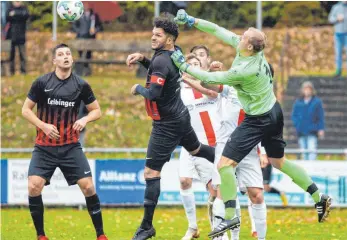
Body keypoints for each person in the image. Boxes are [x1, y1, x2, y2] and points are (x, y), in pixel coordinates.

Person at [171, 9, 331, 237]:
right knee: (279, 162)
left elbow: (212, 79)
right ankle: (319, 196)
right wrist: (191, 21)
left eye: (244, 35)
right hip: (274, 111)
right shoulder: (250, 51)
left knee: (224, 165)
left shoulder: (245, 69)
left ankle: (229, 217)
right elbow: (217, 30)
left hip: (257, 120)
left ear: (248, 46)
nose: (240, 35)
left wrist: (184, 67)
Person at [126, 17, 215, 240]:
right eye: (153, 33)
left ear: (169, 39)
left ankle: (146, 226)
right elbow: (163, 70)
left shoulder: (161, 61)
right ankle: (230, 157)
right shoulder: (175, 53)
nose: (152, 37)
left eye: (157, 35)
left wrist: (138, 88)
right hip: (181, 117)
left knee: (151, 173)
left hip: (166, 124)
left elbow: (154, 94)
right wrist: (144, 59)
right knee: (197, 151)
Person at [21, 43, 108, 240]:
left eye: (68, 53)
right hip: (44, 147)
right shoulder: (41, 83)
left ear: (72, 59)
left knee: (88, 187)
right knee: (34, 186)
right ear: (54, 61)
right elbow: (25, 110)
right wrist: (43, 125)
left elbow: (97, 110)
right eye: (60, 54)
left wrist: (85, 119)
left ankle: (101, 235)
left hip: (70, 147)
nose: (65, 57)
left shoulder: (81, 85)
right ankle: (41, 235)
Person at [186, 47, 267, 240]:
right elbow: (210, 86)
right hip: (226, 148)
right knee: (223, 193)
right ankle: (221, 238)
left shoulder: (260, 95)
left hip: (248, 149)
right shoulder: (230, 87)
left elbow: (263, 123)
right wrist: (213, 73)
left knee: (256, 195)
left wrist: (262, 150)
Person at [291, 81, 325, 161]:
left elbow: (320, 116)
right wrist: (297, 124)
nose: (307, 91)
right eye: (305, 89)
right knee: (304, 152)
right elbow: (294, 115)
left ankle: (312, 170)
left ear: (312, 90)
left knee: (312, 151)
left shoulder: (317, 102)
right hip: (301, 131)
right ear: (302, 90)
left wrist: (321, 129)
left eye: (309, 89)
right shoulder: (298, 102)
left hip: (312, 131)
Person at [72, 3, 103, 76]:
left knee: (88, 55)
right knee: (80, 54)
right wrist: (79, 31)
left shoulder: (94, 16)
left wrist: (95, 30)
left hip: (90, 38)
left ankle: (87, 70)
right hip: (80, 38)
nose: (86, 7)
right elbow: (74, 25)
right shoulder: (78, 14)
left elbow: (100, 26)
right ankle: (80, 70)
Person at [6, 1, 29, 75]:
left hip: (21, 36)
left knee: (22, 55)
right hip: (12, 36)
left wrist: (15, 14)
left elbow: (26, 15)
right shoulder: (9, 8)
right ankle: (11, 72)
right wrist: (19, 14)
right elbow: (7, 17)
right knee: (11, 56)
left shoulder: (24, 8)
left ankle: (23, 71)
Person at [328, 1, 347, 78]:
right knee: (338, 53)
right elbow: (330, 19)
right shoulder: (336, 7)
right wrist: (337, 18)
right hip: (338, 34)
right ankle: (338, 71)